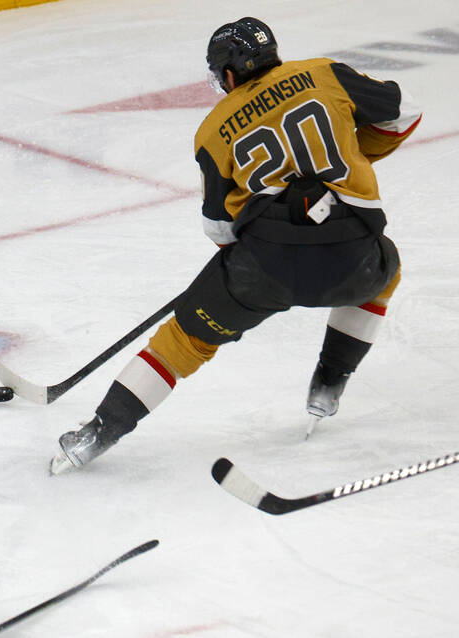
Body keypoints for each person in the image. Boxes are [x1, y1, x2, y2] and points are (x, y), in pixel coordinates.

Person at [50, 17, 421, 474]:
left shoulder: (213, 130)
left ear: (228, 73)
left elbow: (219, 229)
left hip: (262, 269)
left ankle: (97, 433)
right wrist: (356, 153)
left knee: (183, 340)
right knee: (387, 273)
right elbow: (403, 114)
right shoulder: (325, 74)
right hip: (355, 259)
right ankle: (329, 383)